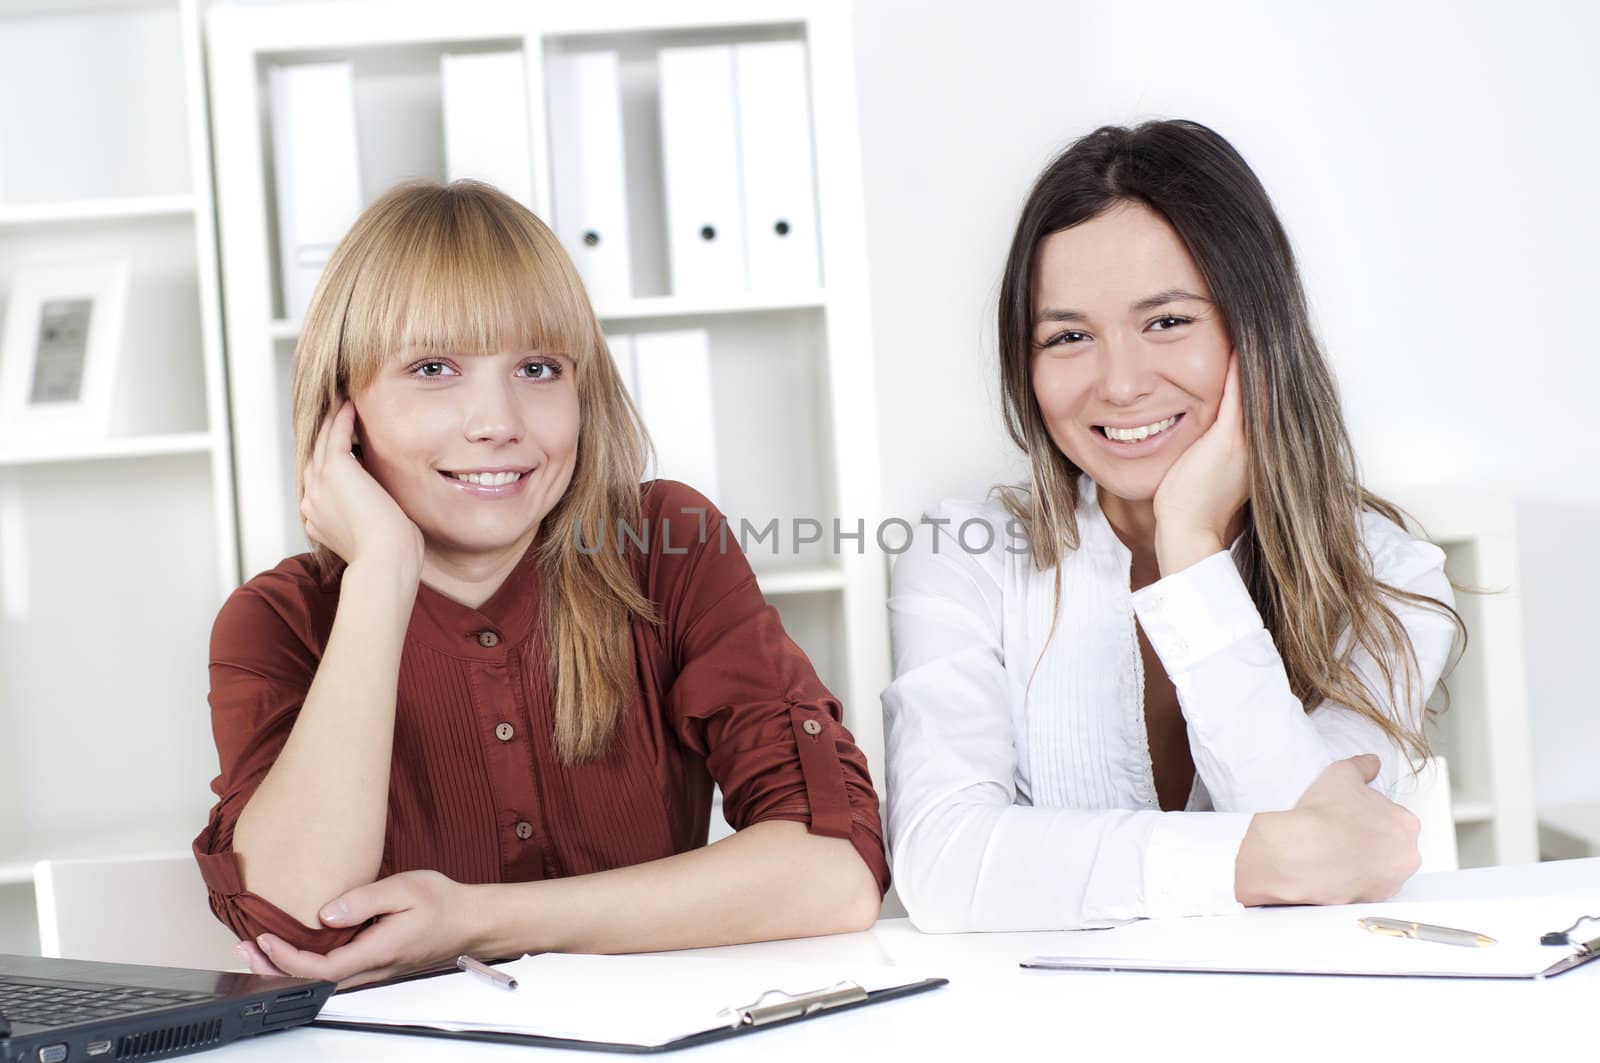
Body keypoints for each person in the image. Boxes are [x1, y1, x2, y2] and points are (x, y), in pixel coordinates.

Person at [194, 180, 886, 986]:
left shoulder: (664, 546)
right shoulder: (277, 621)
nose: (498, 422)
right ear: (343, 409)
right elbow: (300, 923)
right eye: (433, 368)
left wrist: (477, 921)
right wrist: (382, 569)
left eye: (536, 366)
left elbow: (835, 871)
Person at [882, 119, 1464, 932]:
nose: (1119, 385)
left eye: (1167, 322)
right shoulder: (963, 560)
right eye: (1069, 336)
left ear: (1259, 334)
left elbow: (1326, 855)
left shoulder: (1386, 574)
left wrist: (1190, 546)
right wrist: (1253, 860)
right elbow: (943, 862)